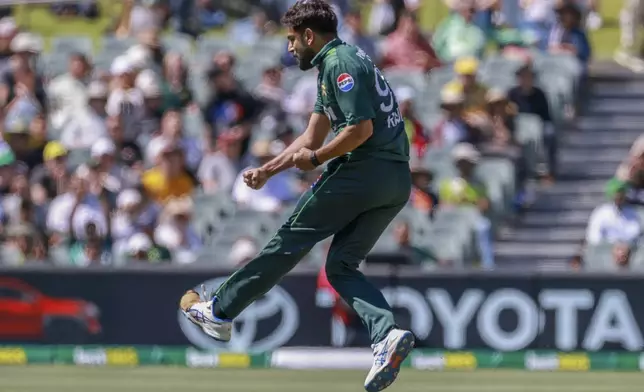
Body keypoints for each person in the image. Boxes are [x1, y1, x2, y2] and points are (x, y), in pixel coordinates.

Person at [179, 1, 414, 391]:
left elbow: (360, 131)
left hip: (363, 172)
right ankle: (385, 334)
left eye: (292, 39)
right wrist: (269, 169)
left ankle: (219, 311)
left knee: (289, 241)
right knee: (340, 267)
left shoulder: (340, 64)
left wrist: (319, 159)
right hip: (394, 181)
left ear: (309, 36)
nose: (289, 48)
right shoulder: (336, 64)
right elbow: (309, 138)